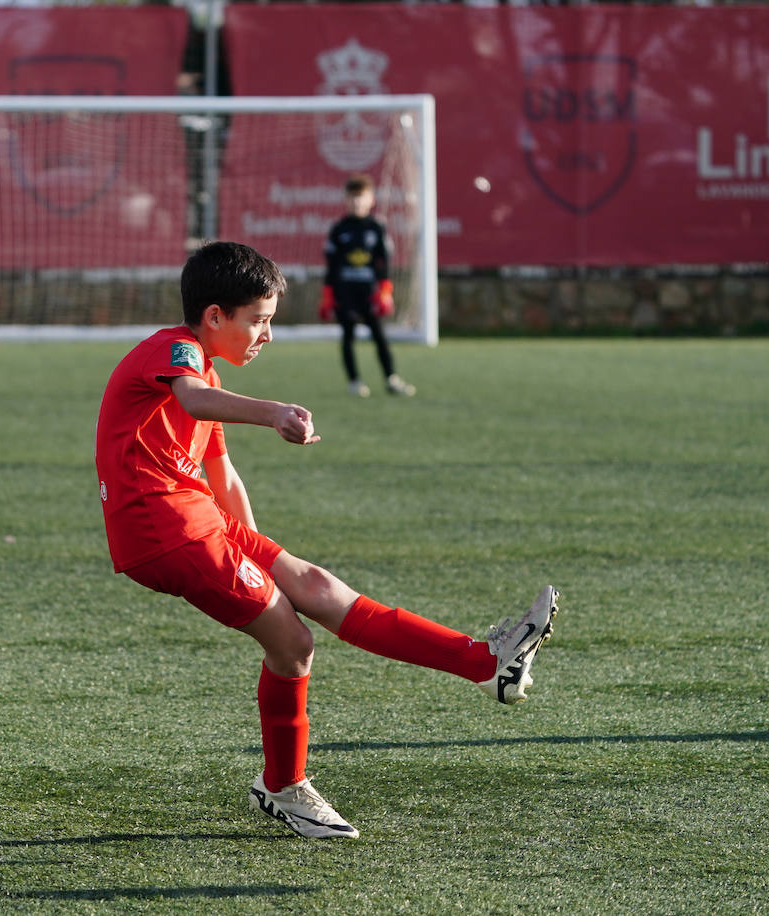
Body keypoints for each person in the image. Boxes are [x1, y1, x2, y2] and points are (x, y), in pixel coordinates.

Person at [95, 240, 559, 839]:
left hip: (200, 519)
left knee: (316, 587)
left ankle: (488, 662)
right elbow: (191, 398)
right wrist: (270, 413)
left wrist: (257, 559)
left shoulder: (203, 371)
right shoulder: (176, 350)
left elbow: (224, 475)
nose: (266, 335)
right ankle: (284, 786)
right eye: (258, 320)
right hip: (163, 528)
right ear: (215, 316)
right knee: (293, 643)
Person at [319, 174, 416, 398]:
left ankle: (391, 378)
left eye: (361, 197)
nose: (356, 202)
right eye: (352, 197)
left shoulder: (376, 228)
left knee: (380, 336)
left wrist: (385, 291)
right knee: (348, 335)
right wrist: (327, 293)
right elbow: (331, 265)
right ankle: (354, 381)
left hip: (369, 292)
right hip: (345, 292)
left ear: (371, 199)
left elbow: (384, 262)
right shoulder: (339, 229)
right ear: (346, 199)